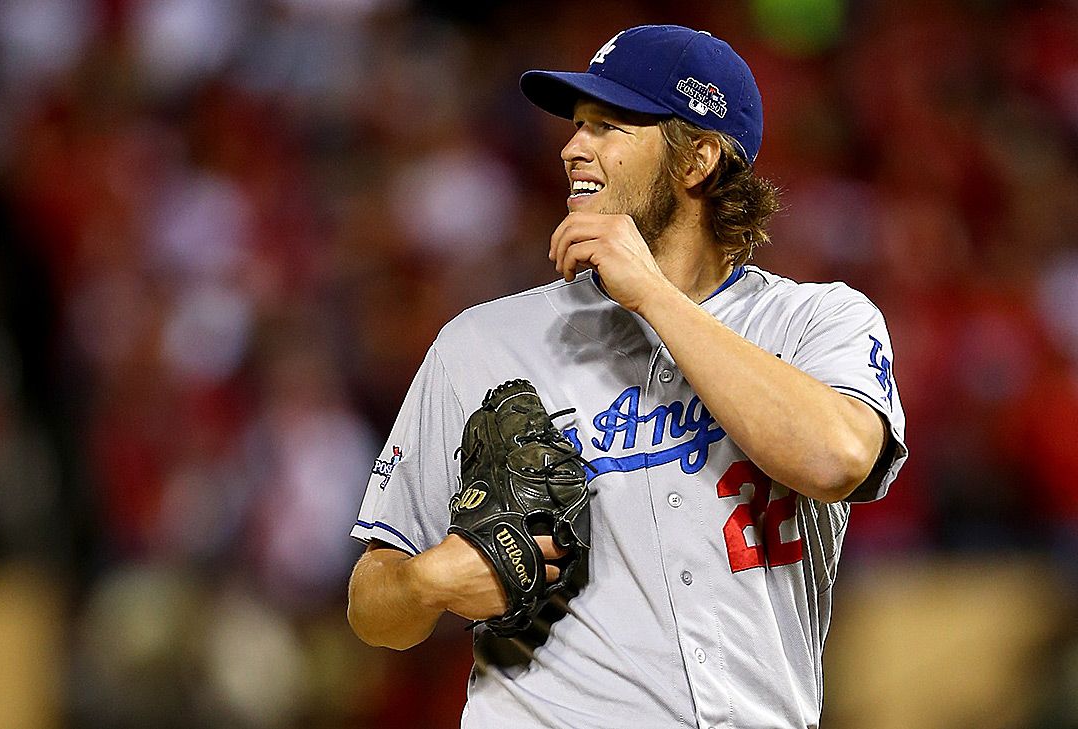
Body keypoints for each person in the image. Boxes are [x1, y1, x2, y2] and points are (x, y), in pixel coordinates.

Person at [347, 24, 907, 729]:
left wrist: (653, 296)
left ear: (697, 159)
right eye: (577, 125)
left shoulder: (814, 322)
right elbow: (372, 607)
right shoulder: (481, 344)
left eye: (609, 126)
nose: (572, 147)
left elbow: (839, 459)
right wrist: (426, 581)